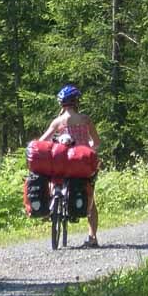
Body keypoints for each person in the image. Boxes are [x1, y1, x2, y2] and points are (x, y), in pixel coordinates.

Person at [39, 84, 102, 247]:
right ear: (76, 102)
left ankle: (50, 205)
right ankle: (92, 237)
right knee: (90, 199)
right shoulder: (86, 120)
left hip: (63, 163)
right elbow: (96, 142)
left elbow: (42, 141)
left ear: (62, 104)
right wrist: (88, 146)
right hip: (82, 164)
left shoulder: (58, 121)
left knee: (53, 179)